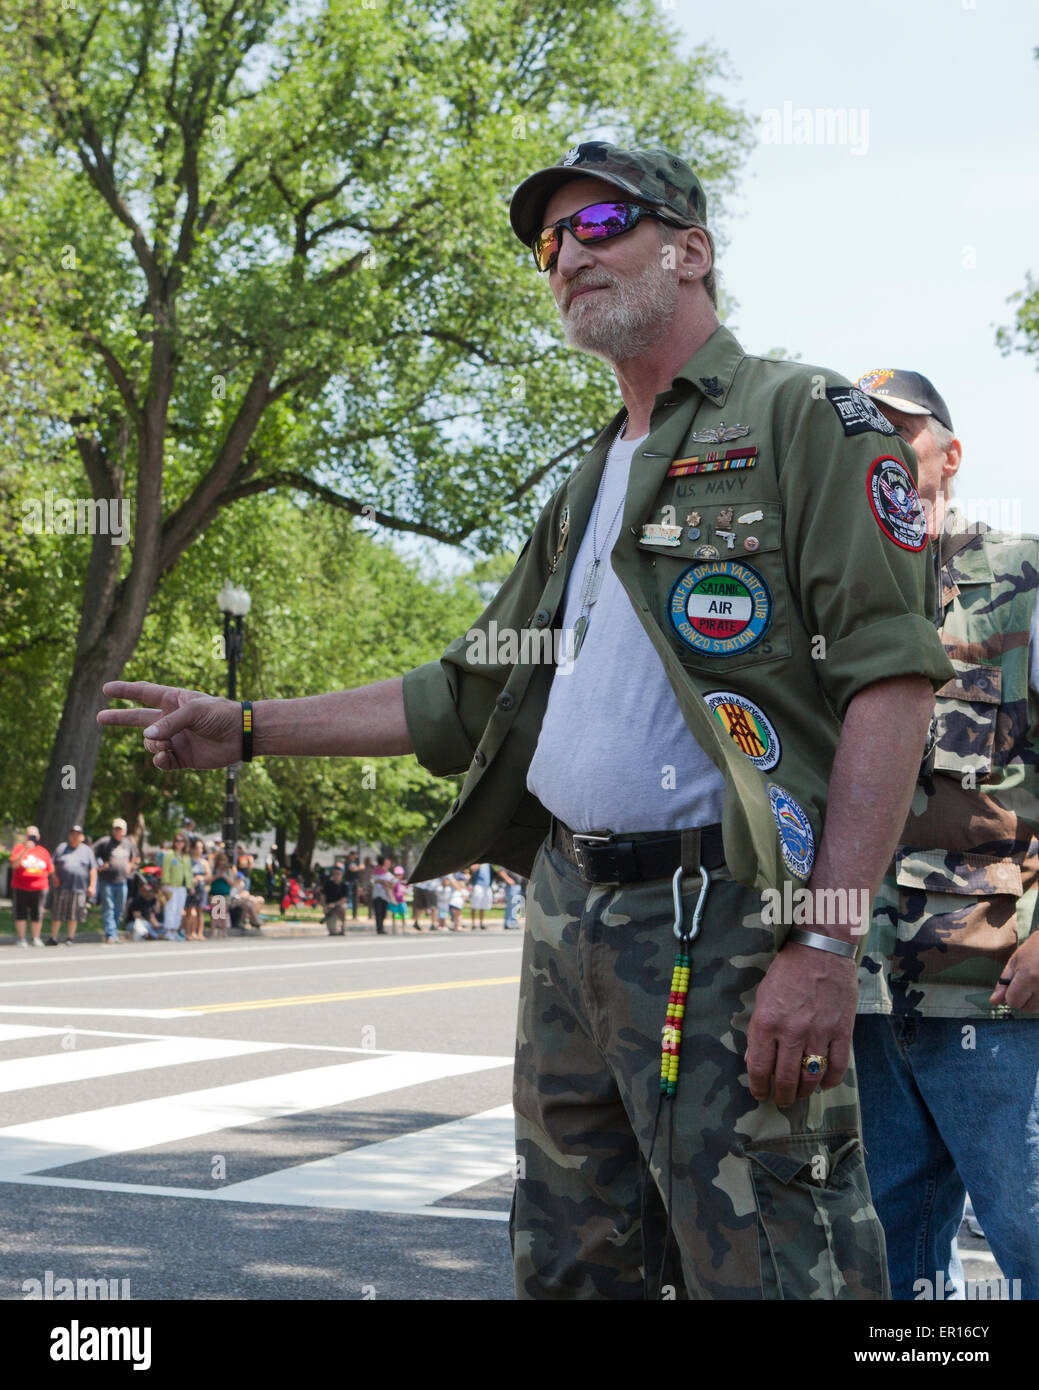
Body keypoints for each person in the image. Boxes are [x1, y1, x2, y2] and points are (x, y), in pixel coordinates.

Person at [99, 142, 955, 1301]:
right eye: (547, 243)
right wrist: (246, 725)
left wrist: (825, 942)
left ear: (690, 249)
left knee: (773, 1268)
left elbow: (888, 684)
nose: (567, 255)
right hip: (570, 915)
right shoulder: (587, 477)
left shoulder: (809, 417)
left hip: (731, 919)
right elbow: (467, 691)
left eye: (600, 222)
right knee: (568, 1264)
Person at [849, 368, 1039, 1300]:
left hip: (994, 977)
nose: (872, 455)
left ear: (948, 456)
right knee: (894, 1248)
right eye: (854, 438)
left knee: (1028, 1226)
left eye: (896, 436)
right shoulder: (826, 594)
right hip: (859, 986)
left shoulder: (1023, 579)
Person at [47, 824, 96, 945]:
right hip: (62, 886)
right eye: (72, 834)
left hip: (79, 887)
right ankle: (53, 937)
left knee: (74, 913)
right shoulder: (62, 848)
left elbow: (93, 869)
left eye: (77, 834)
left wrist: (92, 885)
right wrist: (54, 877)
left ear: (82, 837)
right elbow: (52, 864)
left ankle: (70, 938)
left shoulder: (87, 850)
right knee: (57, 912)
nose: (74, 837)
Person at [93, 818, 140, 945]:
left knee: (119, 909)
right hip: (107, 880)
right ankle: (111, 934)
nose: (118, 831)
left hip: (122, 880)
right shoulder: (105, 842)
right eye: (116, 828)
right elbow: (92, 852)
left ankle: (113, 931)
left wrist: (131, 866)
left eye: (120, 829)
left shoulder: (128, 843)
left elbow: (135, 857)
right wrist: (100, 865)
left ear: (124, 830)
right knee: (108, 907)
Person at [11, 826, 55, 948]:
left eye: (34, 835)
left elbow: (50, 869)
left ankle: (36, 938)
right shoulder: (19, 848)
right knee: (21, 913)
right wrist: (25, 850)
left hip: (39, 887)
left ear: (38, 837)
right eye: (29, 835)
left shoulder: (43, 851)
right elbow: (14, 864)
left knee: (37, 913)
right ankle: (22, 939)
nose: (32, 838)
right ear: (25, 836)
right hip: (21, 886)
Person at [160, 830, 192, 939]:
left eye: (182, 841)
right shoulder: (170, 854)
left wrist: (190, 885)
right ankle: (168, 930)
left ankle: (175, 930)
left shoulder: (186, 856)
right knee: (171, 908)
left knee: (179, 909)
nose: (179, 843)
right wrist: (165, 884)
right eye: (177, 841)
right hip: (172, 885)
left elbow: (188, 872)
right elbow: (166, 870)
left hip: (182, 886)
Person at [183, 837, 210, 940]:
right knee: (189, 911)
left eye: (201, 848)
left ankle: (199, 933)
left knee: (200, 912)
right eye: (198, 848)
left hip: (201, 888)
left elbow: (209, 876)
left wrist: (201, 877)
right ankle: (189, 932)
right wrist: (191, 884)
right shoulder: (188, 861)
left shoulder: (204, 862)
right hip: (191, 888)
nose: (200, 850)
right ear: (193, 849)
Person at [320, 864, 350, 935]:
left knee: (342, 908)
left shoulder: (344, 885)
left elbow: (344, 899)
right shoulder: (328, 884)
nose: (336, 875)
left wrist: (335, 904)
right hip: (329, 906)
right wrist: (324, 906)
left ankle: (342, 926)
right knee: (332, 932)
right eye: (335, 874)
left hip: (339, 905)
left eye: (338, 874)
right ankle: (332, 928)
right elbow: (322, 896)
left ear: (341, 874)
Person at [369, 857, 394, 935]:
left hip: (385, 896)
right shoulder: (375, 874)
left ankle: (381, 926)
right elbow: (372, 881)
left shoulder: (389, 875)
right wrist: (379, 881)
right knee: (378, 911)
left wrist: (387, 884)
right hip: (376, 895)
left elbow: (393, 884)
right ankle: (379, 928)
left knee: (383, 913)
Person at [498, 866, 524, 931]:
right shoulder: (508, 860)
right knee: (512, 905)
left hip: (519, 885)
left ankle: (513, 922)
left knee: (516, 906)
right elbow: (500, 871)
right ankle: (509, 923)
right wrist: (508, 879)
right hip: (512, 885)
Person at [468, 862, 493, 930]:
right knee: (474, 905)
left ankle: (481, 923)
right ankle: (473, 923)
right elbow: (472, 869)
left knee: (483, 905)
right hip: (478, 885)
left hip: (487, 886)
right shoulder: (476, 862)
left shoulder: (488, 863)